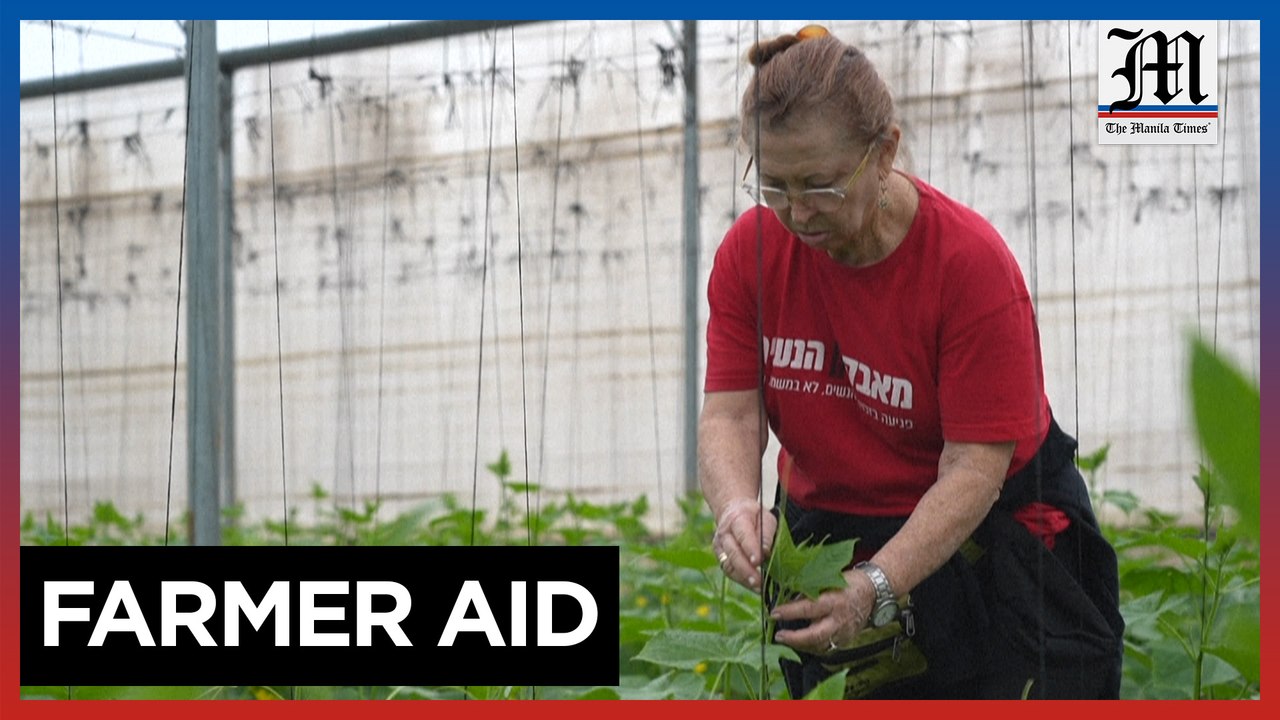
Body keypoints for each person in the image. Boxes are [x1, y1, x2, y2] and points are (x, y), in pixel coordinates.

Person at [701, 25, 1124, 699]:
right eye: (773, 185)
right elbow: (730, 410)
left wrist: (877, 585)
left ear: (884, 152)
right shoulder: (750, 254)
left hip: (988, 543)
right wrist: (736, 508)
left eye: (821, 185)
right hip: (832, 528)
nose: (798, 213)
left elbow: (975, 467)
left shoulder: (967, 267)